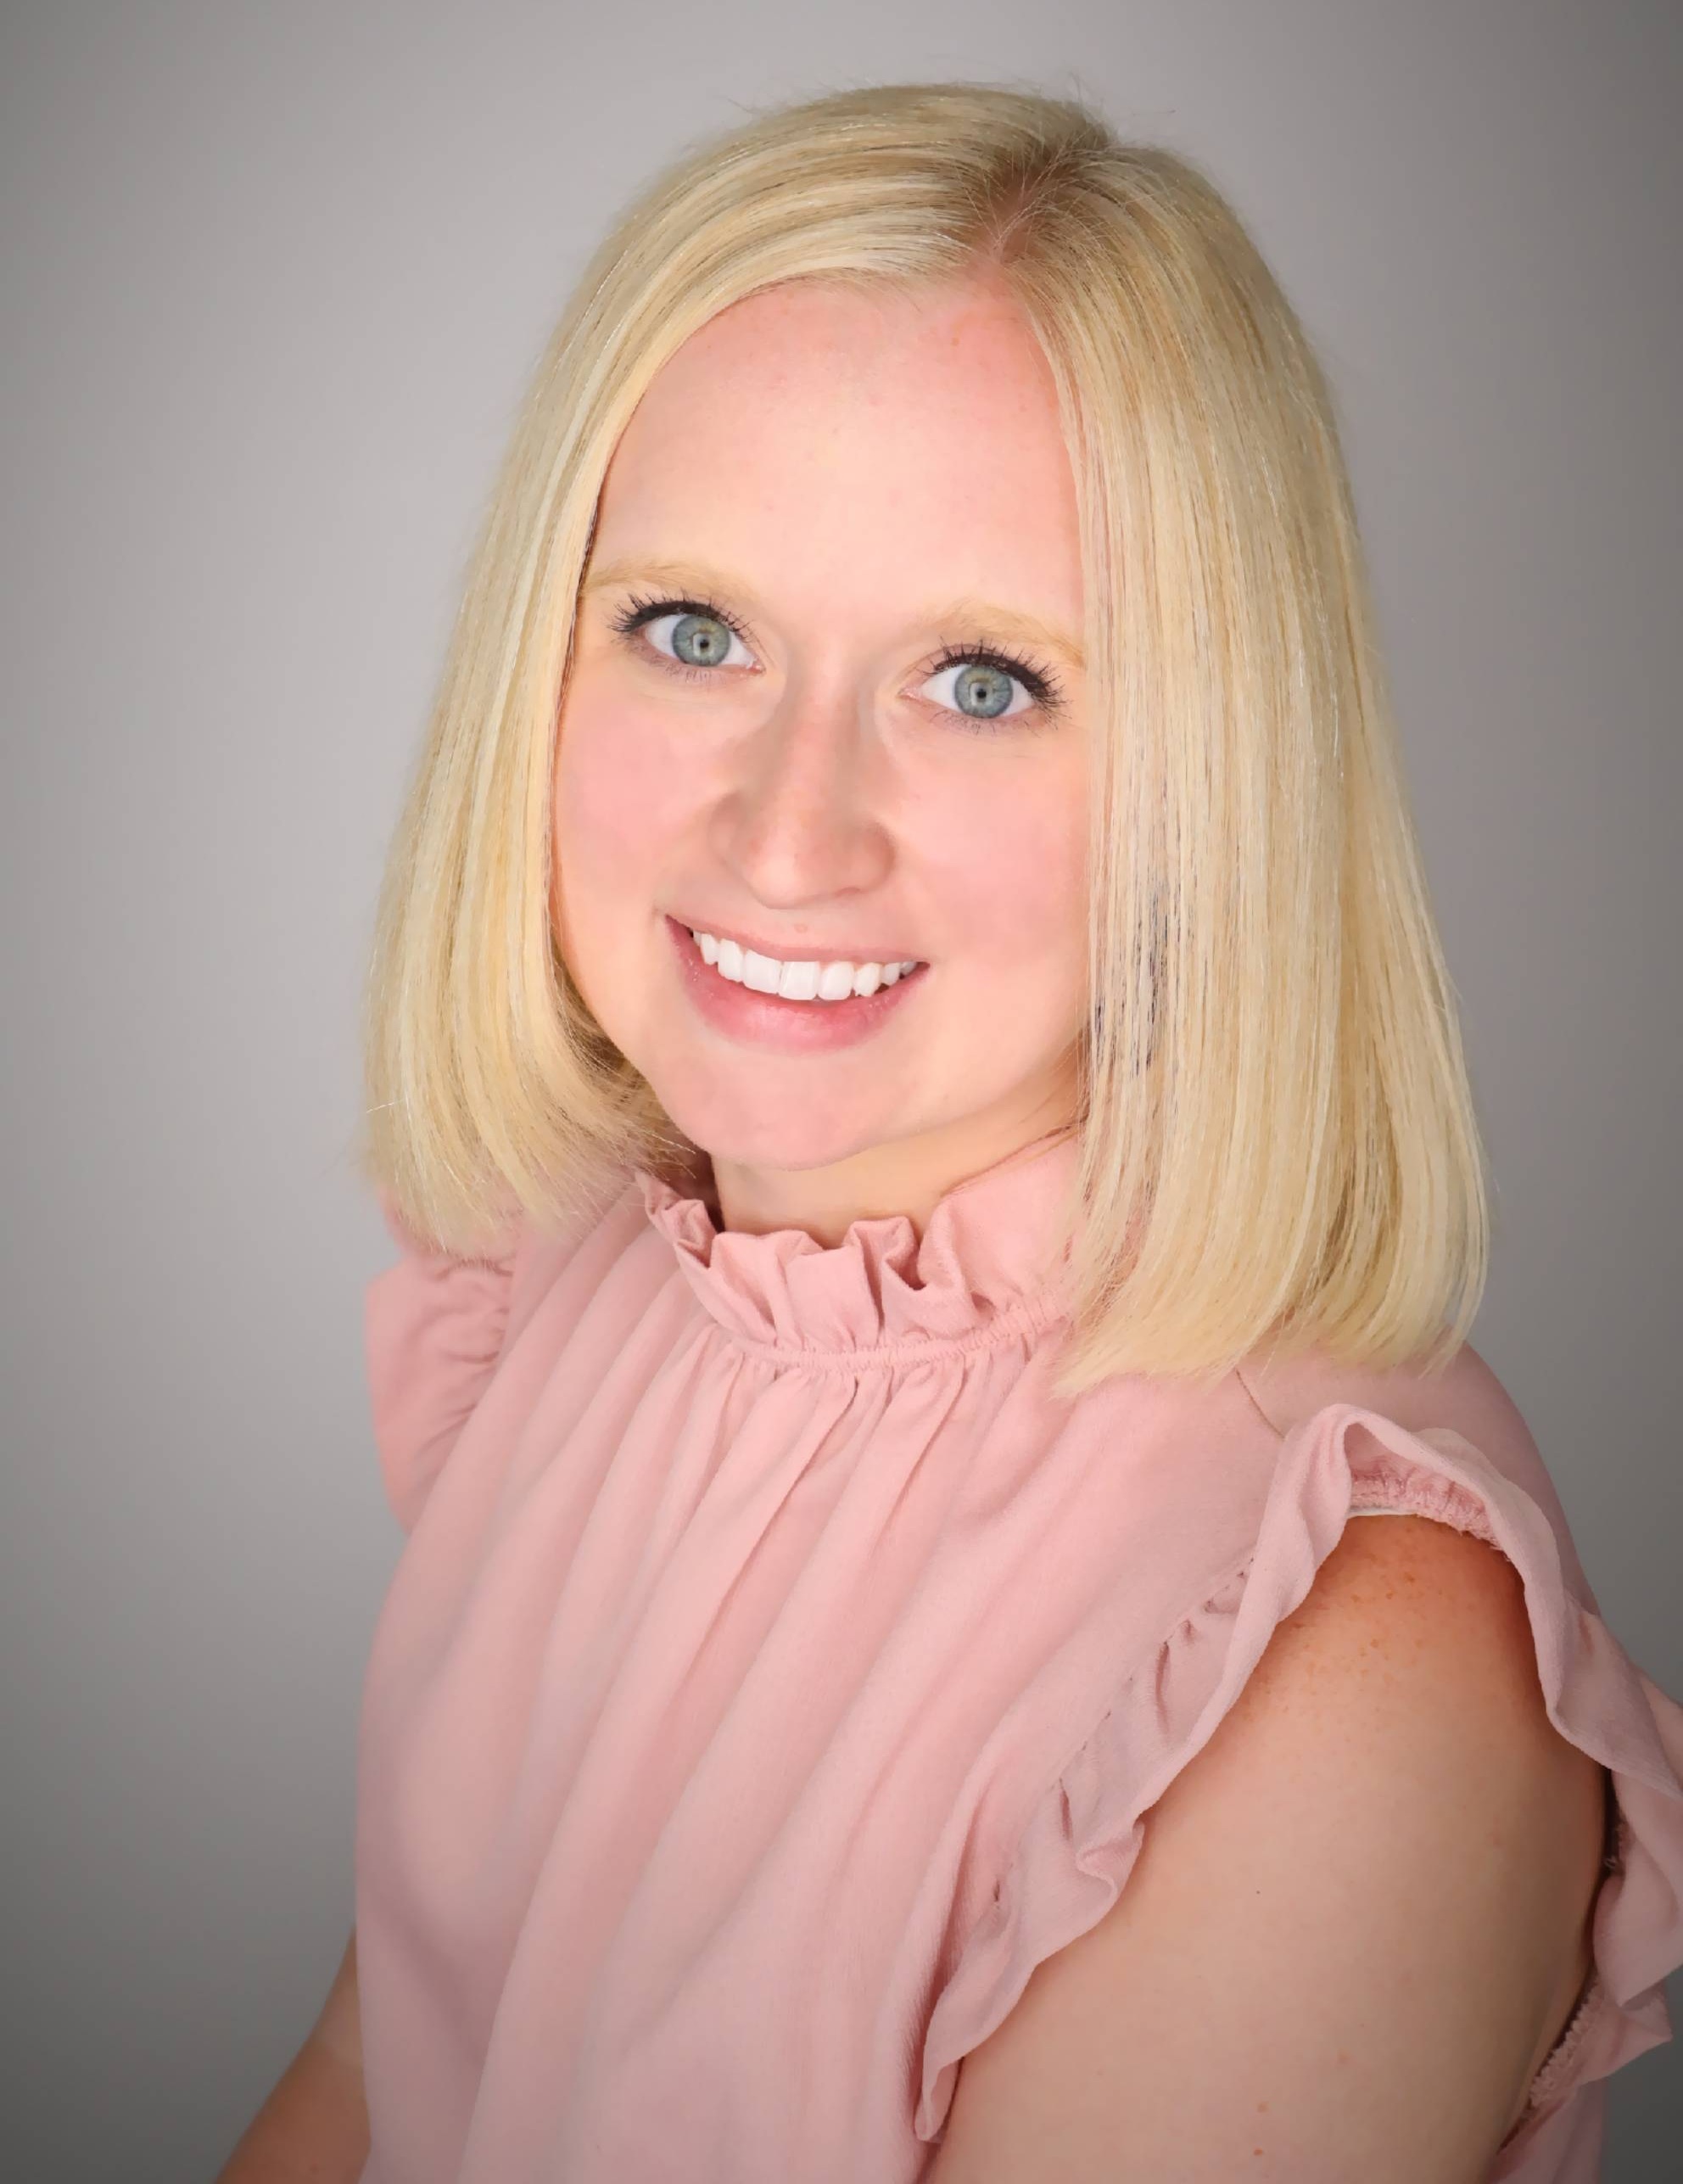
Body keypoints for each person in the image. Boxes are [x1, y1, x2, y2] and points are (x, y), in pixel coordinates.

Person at [216, 80, 1683, 2184]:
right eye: (692, 632)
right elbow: (371, 2092)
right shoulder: (587, 1284)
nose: (786, 832)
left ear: (1211, 772)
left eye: (983, 680)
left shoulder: (1342, 1660)